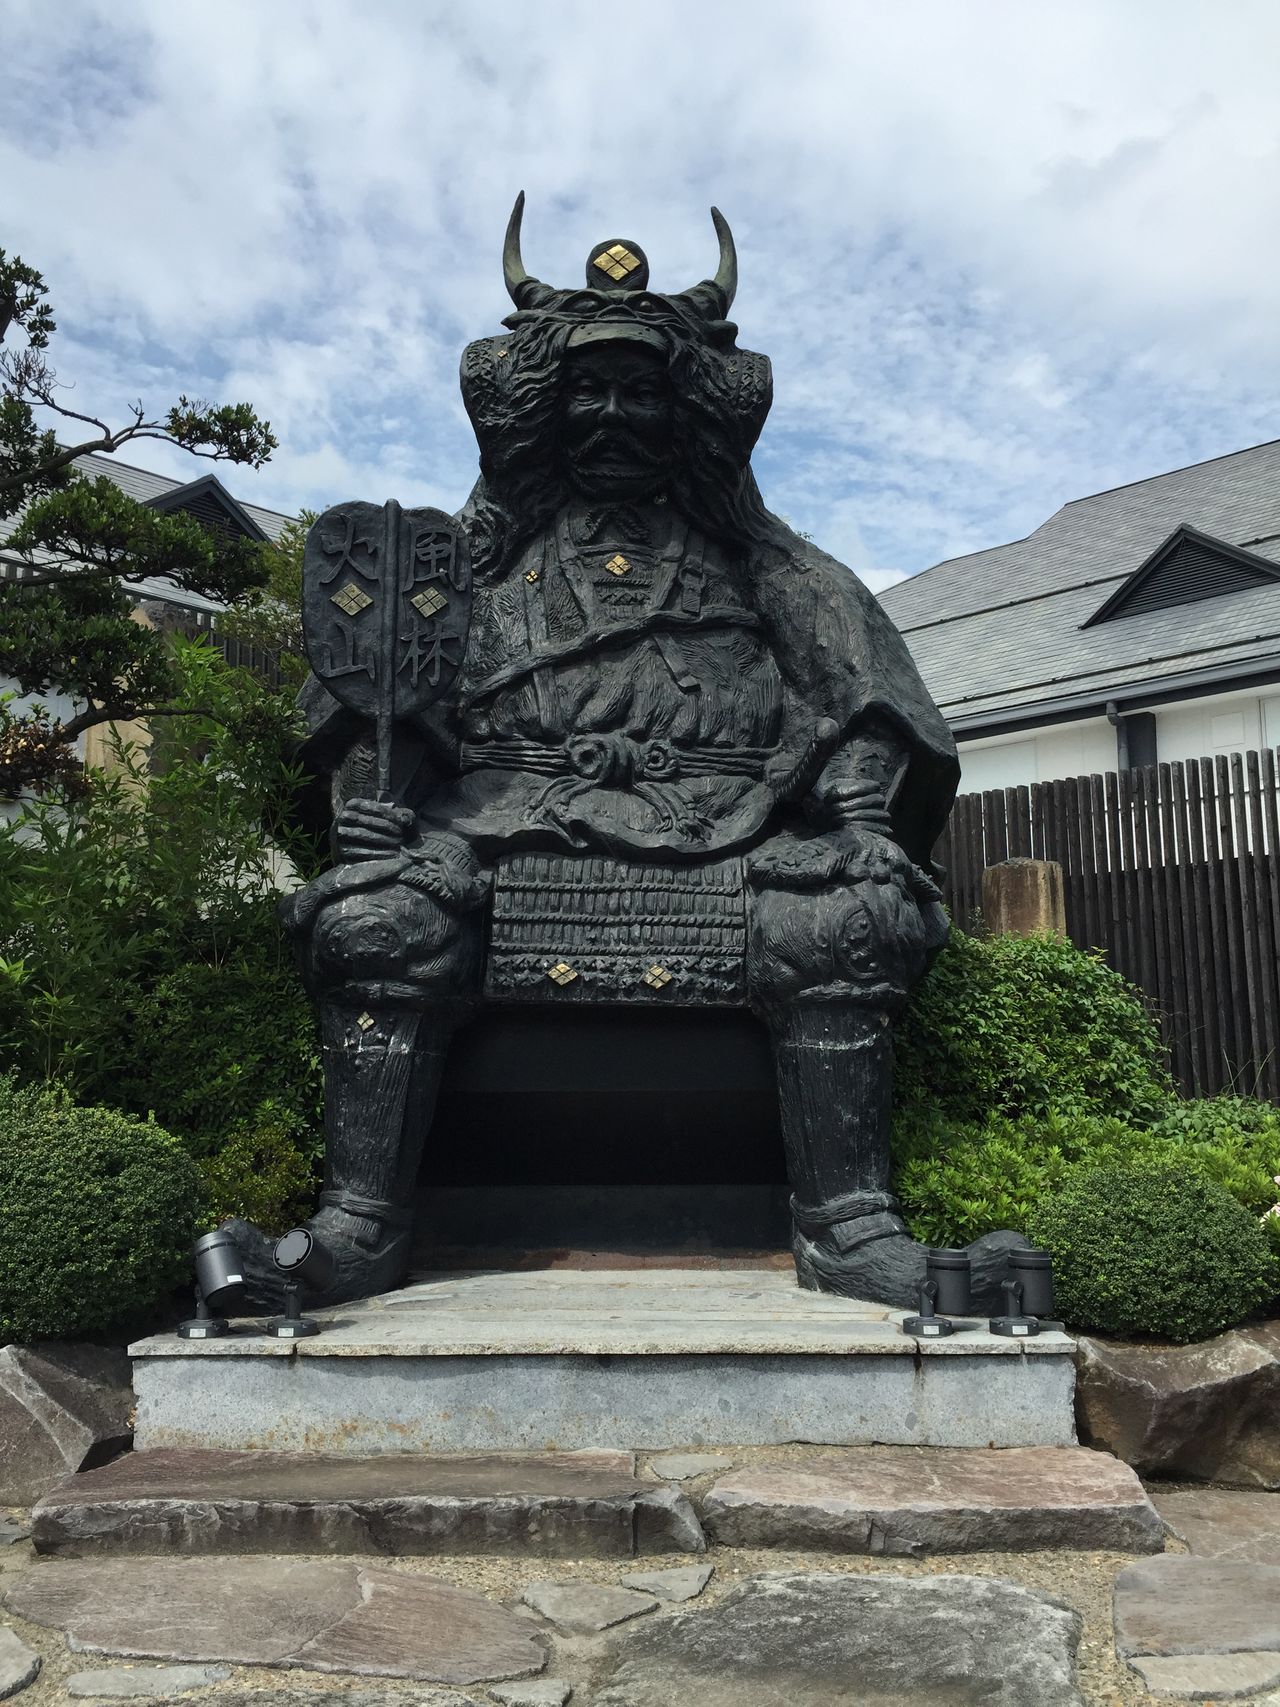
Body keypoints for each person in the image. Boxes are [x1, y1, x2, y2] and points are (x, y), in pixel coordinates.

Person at [225, 199, 1024, 1309]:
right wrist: (377, 803)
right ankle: (361, 1224)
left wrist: (857, 817)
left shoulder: (767, 571)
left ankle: (848, 1226)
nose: (610, 412)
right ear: (541, 413)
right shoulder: (467, 566)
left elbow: (862, 694)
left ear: (684, 412)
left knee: (849, 919)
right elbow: (386, 702)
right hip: (503, 829)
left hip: (722, 839)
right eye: (586, 390)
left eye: (638, 390)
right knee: (374, 918)